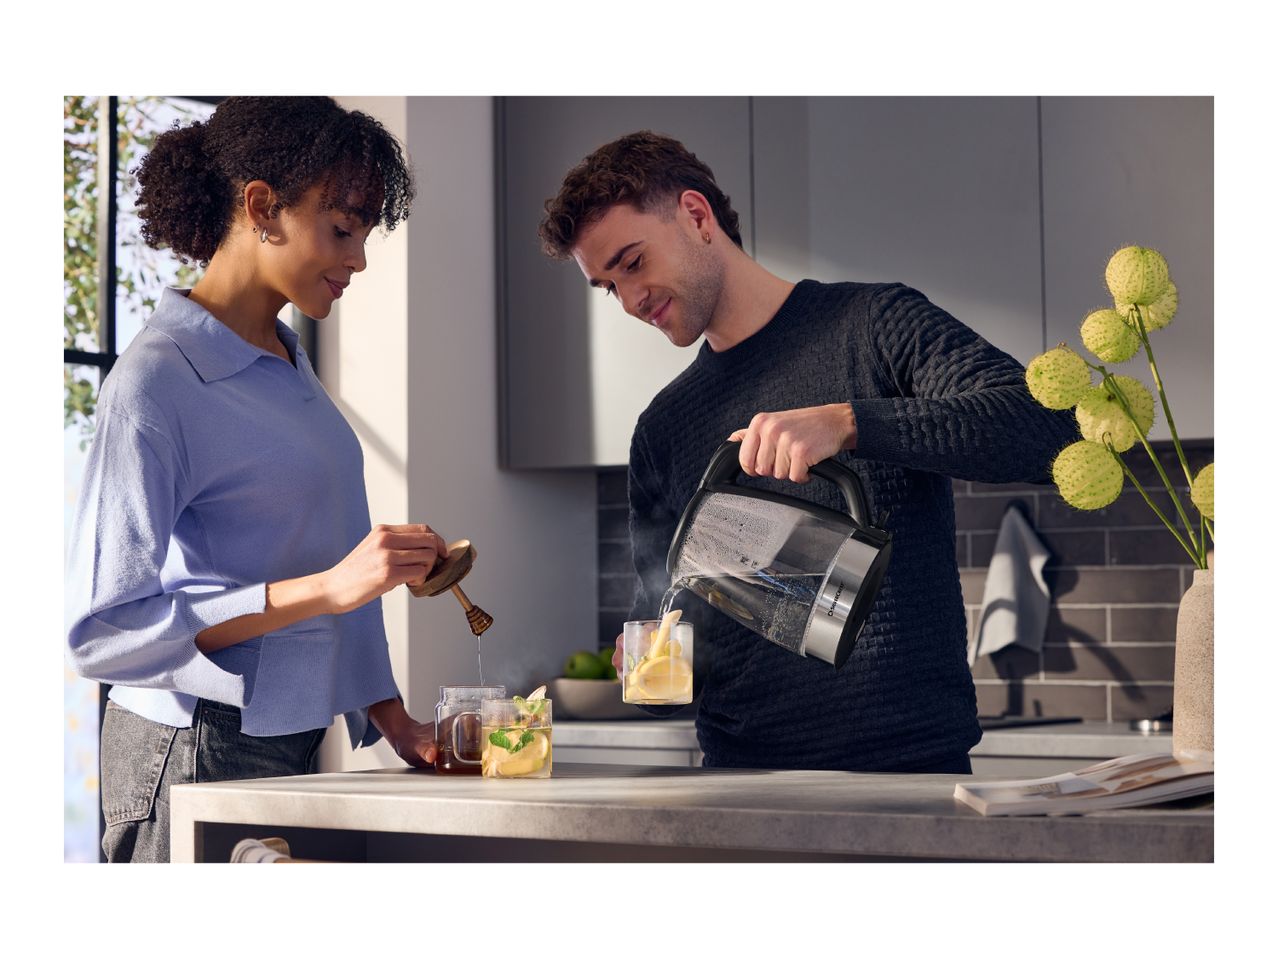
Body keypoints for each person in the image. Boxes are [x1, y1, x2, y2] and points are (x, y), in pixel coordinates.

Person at [538, 130, 1078, 773]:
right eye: (608, 286)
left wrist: (851, 423)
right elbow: (660, 622)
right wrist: (646, 668)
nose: (629, 301)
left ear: (696, 216)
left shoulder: (876, 324)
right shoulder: (663, 427)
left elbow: (1048, 431)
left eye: (632, 263)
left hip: (908, 776)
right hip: (738, 787)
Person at [65, 97, 446, 863]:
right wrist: (329, 588)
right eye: (342, 229)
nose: (359, 260)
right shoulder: (156, 381)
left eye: (365, 234)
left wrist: (391, 714)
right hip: (191, 750)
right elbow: (102, 630)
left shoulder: (285, 360)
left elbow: (324, 545)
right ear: (262, 208)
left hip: (291, 745)